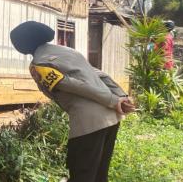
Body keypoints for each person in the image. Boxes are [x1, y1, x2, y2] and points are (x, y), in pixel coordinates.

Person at [10, 21, 135, 182]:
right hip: (111, 119)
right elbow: (100, 74)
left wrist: (112, 100)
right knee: (99, 175)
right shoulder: (69, 51)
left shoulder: (38, 65)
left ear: (22, 45)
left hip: (89, 123)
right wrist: (121, 95)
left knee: (82, 174)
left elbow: (76, 86)